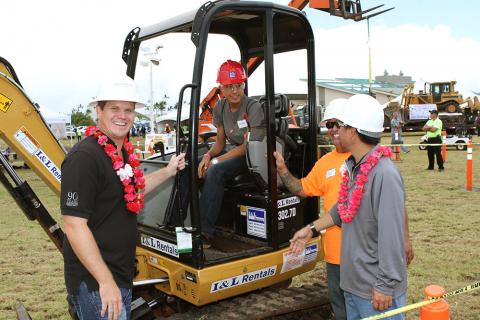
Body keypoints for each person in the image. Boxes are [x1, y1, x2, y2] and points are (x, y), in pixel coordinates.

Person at [275, 98, 413, 320]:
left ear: (354, 132)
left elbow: (391, 235)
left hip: (374, 290)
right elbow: (343, 209)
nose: (337, 130)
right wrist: (310, 229)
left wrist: (385, 286)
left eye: (343, 125)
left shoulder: (384, 174)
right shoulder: (355, 167)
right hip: (354, 284)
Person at [60, 77, 185, 320]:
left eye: (128, 109)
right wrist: (105, 282)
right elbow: (74, 226)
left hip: (120, 274)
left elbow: (131, 191)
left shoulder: (121, 152)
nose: (123, 115)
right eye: (114, 108)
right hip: (97, 282)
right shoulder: (84, 157)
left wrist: (168, 171)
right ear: (98, 110)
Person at [198, 60, 264, 247]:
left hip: (252, 156)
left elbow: (249, 146)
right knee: (190, 165)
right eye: (229, 87)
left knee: (215, 171)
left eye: (238, 86)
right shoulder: (220, 107)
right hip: (232, 152)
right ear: (221, 88)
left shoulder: (253, 107)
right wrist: (208, 156)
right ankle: (183, 223)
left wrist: (216, 162)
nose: (234, 91)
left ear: (243, 85)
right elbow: (219, 142)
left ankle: (205, 233)